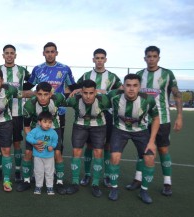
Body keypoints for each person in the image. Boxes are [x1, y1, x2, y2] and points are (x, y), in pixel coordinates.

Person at [19, 42, 79, 194]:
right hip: (36, 120)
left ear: (56, 53)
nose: (50, 54)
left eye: (53, 51)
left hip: (57, 114)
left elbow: (73, 87)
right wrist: (16, 89)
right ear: (43, 53)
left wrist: (81, 91)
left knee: (56, 149)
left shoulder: (64, 69)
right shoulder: (38, 69)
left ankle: (57, 180)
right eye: (47, 52)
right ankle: (28, 179)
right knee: (29, 150)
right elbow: (29, 85)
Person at [126, 46, 183, 196]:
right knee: (142, 151)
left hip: (163, 119)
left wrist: (179, 116)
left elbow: (177, 95)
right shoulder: (139, 75)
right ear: (144, 58)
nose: (151, 59)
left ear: (158, 58)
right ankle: (137, 179)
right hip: (143, 120)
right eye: (148, 56)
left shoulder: (167, 74)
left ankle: (167, 182)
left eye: (154, 56)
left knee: (163, 150)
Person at [70, 48, 122, 187]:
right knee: (89, 145)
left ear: (105, 59)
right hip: (85, 115)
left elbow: (121, 90)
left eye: (102, 58)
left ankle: (105, 176)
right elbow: (75, 88)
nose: (99, 60)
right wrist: (76, 89)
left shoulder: (112, 76)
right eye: (97, 58)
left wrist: (105, 91)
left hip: (106, 114)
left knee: (106, 146)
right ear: (93, 59)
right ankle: (87, 175)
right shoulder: (87, 75)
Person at [107, 74, 160, 204]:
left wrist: (152, 142)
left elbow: (156, 118)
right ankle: (114, 188)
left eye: (135, 85)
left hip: (141, 131)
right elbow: (96, 98)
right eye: (128, 85)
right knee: (114, 157)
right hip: (120, 130)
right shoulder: (113, 96)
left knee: (150, 158)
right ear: (123, 86)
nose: (131, 89)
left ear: (139, 87)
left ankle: (144, 190)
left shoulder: (148, 100)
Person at [0, 44, 31, 183]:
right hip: (0, 114)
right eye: (6, 53)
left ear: (15, 55)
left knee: (16, 143)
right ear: (3, 55)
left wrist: (25, 93)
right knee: (0, 144)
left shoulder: (22, 71)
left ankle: (18, 171)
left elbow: (30, 84)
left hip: (17, 113)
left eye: (11, 53)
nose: (9, 55)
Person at [17, 82, 66, 194]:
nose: (42, 97)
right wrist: (33, 142)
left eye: (46, 94)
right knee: (28, 152)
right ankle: (26, 180)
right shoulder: (29, 105)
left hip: (54, 128)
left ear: (50, 94)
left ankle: (59, 182)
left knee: (57, 153)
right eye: (39, 94)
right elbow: (27, 127)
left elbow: (65, 108)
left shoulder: (58, 98)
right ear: (36, 94)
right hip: (35, 130)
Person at [64, 79, 111, 196]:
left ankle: (95, 184)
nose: (88, 96)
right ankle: (75, 182)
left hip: (99, 126)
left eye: (91, 93)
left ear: (95, 92)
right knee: (76, 151)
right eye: (85, 93)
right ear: (81, 92)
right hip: (80, 125)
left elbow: (119, 95)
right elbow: (58, 101)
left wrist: (104, 91)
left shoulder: (104, 100)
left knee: (98, 152)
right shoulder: (74, 99)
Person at [26, 111, 58, 195]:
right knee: (38, 171)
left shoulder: (53, 132)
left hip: (49, 157)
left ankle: (50, 187)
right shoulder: (35, 131)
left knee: (49, 172)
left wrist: (52, 146)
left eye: (50, 122)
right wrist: (35, 141)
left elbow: (55, 141)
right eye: (45, 122)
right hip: (38, 156)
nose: (47, 124)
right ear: (39, 122)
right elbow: (28, 137)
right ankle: (38, 186)